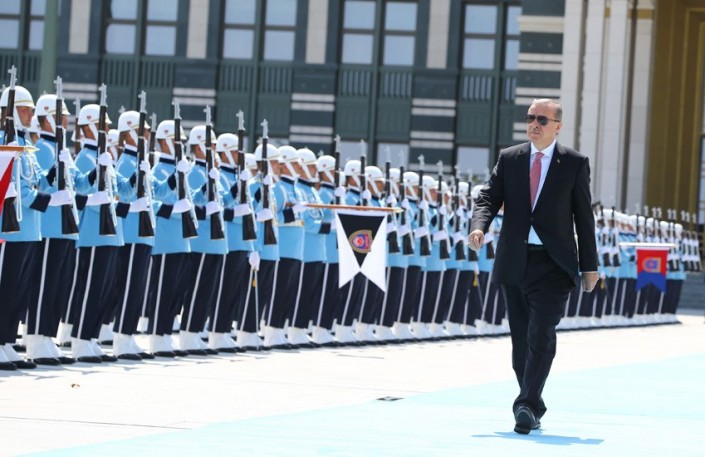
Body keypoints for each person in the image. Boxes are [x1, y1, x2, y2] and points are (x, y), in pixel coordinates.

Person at [468, 98, 599, 435]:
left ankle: (525, 404)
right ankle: (531, 403)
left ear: (558, 126)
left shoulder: (574, 163)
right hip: (516, 260)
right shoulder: (510, 158)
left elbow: (584, 217)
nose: (534, 124)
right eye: (530, 118)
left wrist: (590, 266)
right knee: (521, 340)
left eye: (542, 119)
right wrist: (479, 226)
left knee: (541, 334)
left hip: (554, 264)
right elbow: (488, 197)